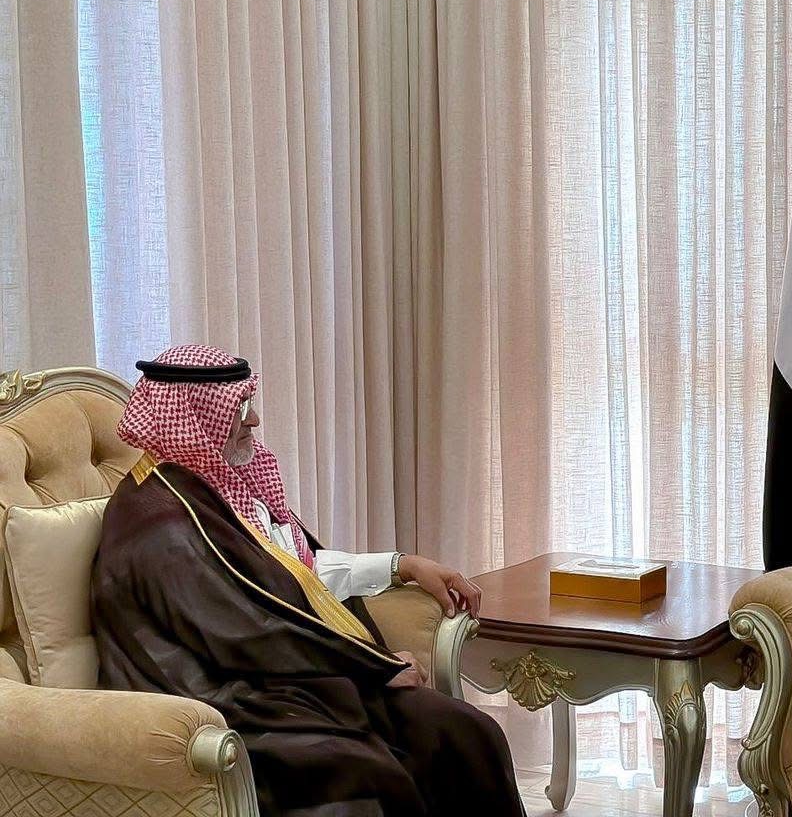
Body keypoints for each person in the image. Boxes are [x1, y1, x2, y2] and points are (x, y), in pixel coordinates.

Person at [91, 344, 526, 817]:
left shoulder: (221, 484)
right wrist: (374, 666)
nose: (254, 420)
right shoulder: (160, 520)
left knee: (466, 734)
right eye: (239, 407)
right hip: (220, 697)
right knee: (369, 777)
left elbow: (297, 571)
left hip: (289, 674)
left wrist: (403, 565)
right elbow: (244, 629)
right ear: (193, 416)